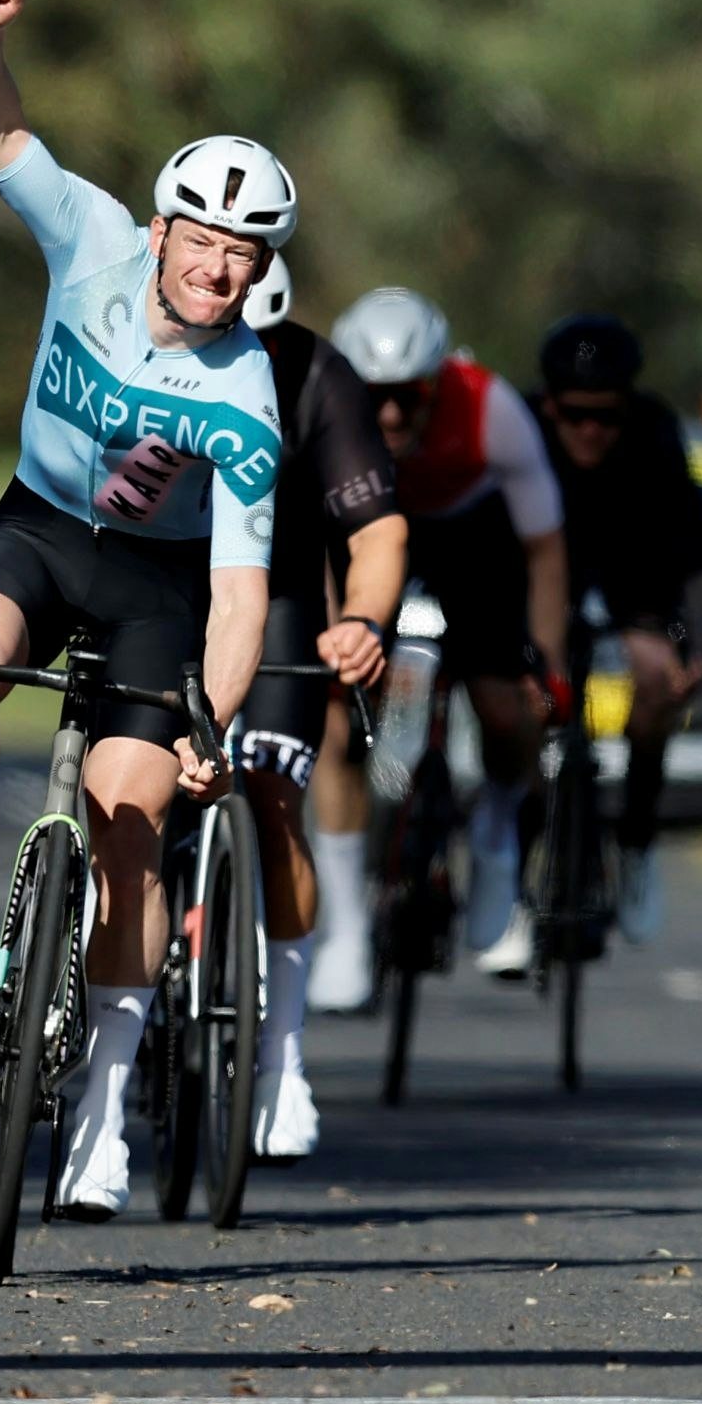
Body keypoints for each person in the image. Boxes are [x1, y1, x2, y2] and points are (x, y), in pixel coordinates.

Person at [0, 0, 289, 1220]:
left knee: (130, 824)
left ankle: (104, 1108)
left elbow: (239, 595)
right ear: (163, 228)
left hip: (157, 585)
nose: (219, 269)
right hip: (40, 524)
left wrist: (209, 725)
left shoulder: (247, 396)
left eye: (246, 254)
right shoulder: (91, 237)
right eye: (205, 240)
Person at [317, 287, 568, 984]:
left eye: (411, 395)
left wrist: (548, 661)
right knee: (337, 716)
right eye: (376, 397)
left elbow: (544, 546)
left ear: (440, 379)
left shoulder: (492, 408)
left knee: (505, 708)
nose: (392, 414)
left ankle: (496, 830)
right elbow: (311, 541)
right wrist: (334, 636)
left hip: (471, 536)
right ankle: (345, 930)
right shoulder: (324, 407)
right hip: (366, 529)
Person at [230, 259, 406, 1157]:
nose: (245, 357)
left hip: (280, 586)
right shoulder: (144, 349)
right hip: (164, 584)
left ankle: (283, 1057)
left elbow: (376, 530)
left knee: (272, 794)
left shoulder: (321, 375)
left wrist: (365, 621)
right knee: (128, 782)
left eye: (263, 342)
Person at [526, 313, 702, 946]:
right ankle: (520, 861)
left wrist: (696, 648)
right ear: (548, 404)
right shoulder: (522, 428)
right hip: (543, 567)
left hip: (632, 570)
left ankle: (636, 841)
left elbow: (694, 557)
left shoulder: (655, 431)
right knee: (527, 694)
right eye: (574, 415)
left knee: (658, 677)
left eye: (606, 416)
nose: (591, 431)